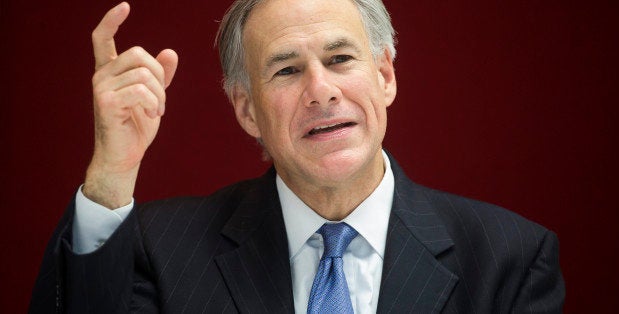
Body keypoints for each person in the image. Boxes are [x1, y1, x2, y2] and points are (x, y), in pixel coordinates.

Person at [29, 0, 565, 313]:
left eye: (339, 58)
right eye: (286, 70)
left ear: (385, 77)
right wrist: (110, 173)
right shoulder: (162, 249)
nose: (321, 90)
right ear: (246, 111)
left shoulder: (510, 258)